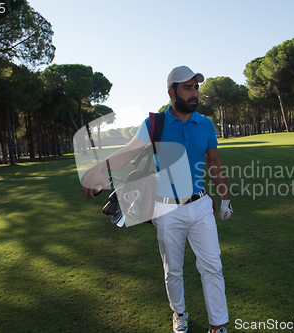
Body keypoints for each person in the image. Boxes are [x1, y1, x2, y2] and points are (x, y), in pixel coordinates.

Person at [82, 66, 233, 333]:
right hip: (166, 209)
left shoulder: (206, 124)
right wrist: (98, 170)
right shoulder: (154, 124)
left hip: (200, 206)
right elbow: (127, 154)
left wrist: (225, 198)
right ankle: (180, 313)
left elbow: (215, 162)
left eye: (196, 87)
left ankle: (218, 324)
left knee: (213, 267)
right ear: (171, 92)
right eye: (187, 88)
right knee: (173, 270)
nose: (194, 93)